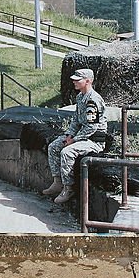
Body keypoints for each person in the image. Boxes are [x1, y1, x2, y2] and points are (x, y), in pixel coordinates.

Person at [42, 68, 109, 204]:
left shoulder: (93, 100)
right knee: (54, 146)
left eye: (78, 80)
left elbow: (92, 126)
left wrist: (74, 140)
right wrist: (69, 135)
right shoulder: (80, 97)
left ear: (88, 81)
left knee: (67, 152)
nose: (74, 82)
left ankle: (68, 188)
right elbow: (76, 120)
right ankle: (58, 181)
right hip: (80, 136)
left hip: (94, 140)